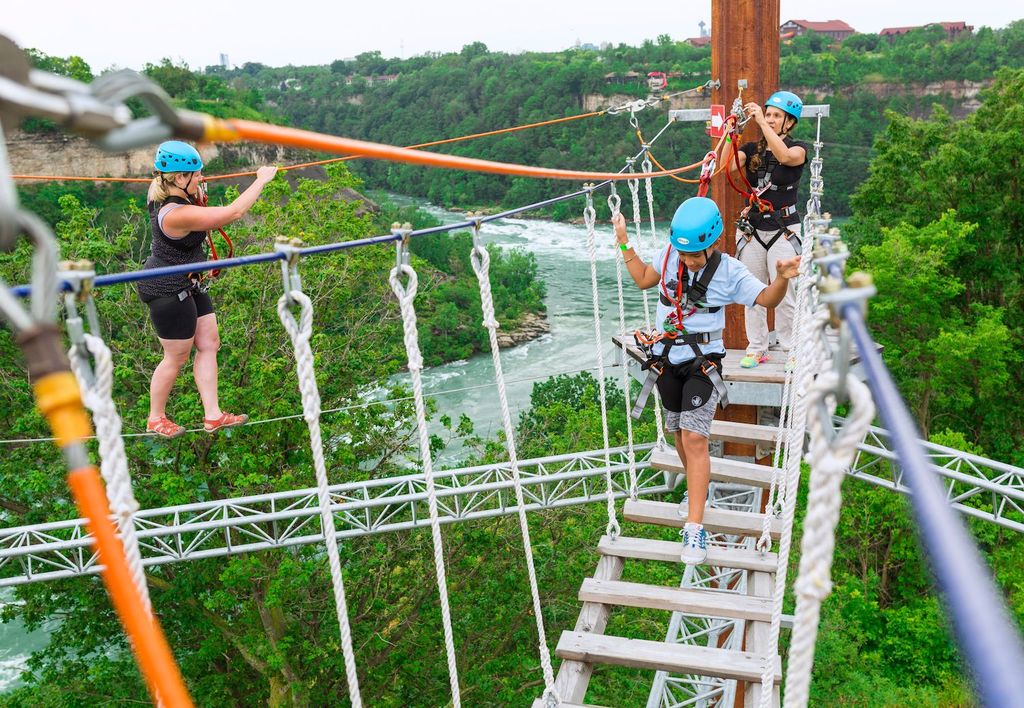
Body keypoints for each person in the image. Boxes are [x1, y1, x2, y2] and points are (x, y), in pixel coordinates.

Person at [613, 197, 800, 564]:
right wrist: (623, 242)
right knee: (680, 434)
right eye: (685, 255)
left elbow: (765, 299)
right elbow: (643, 280)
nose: (689, 261)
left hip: (703, 360)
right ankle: (698, 491)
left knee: (696, 437)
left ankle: (694, 529)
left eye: (696, 255)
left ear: (712, 243)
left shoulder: (729, 271)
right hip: (666, 358)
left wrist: (780, 277)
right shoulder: (670, 254)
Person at [138, 140, 277, 438]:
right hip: (166, 287)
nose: (202, 178)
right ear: (179, 178)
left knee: (209, 343)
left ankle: (213, 415)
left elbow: (196, 204)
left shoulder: (173, 195)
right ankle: (155, 417)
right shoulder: (175, 214)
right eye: (197, 174)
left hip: (190, 283)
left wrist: (197, 192)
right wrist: (261, 180)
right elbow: (232, 214)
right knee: (175, 356)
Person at [723, 90, 808, 369]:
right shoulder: (751, 151)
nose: (770, 119)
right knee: (752, 293)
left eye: (776, 116)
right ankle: (757, 347)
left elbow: (783, 156)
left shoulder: (798, 149)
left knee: (786, 294)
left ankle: (790, 349)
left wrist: (760, 123)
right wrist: (730, 134)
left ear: (789, 123)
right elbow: (726, 166)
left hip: (784, 229)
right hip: (755, 229)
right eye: (768, 114)